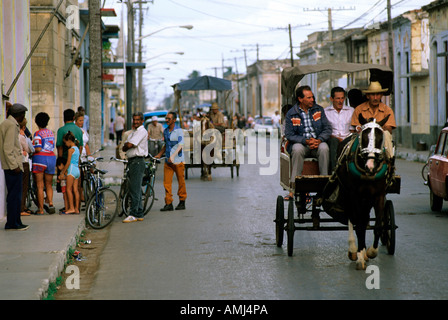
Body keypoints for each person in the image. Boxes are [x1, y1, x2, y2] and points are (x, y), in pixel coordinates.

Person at [284, 85, 331, 201]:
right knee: (297, 149)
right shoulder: (291, 113)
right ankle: (293, 188)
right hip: (302, 144)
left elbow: (327, 129)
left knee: (324, 147)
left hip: (317, 143)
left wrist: (319, 140)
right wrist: (305, 141)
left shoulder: (318, 110)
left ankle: (324, 184)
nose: (312, 100)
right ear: (300, 99)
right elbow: (289, 135)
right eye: (309, 98)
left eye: (312, 97)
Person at [0, 103, 30, 230]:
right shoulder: (11, 125)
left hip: (10, 165)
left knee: (14, 195)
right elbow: (8, 149)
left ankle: (16, 221)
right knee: (15, 196)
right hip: (13, 166)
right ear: (19, 115)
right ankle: (13, 223)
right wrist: (15, 165)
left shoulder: (7, 123)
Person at [350, 81, 396, 160]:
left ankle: (390, 160)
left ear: (381, 95)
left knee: (386, 134)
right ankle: (350, 159)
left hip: (380, 138)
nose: (375, 98)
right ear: (367, 96)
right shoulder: (359, 109)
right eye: (372, 95)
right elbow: (356, 127)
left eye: (377, 94)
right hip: (364, 138)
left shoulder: (387, 110)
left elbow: (389, 128)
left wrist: (376, 130)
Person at [156, 111, 187, 212]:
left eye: (169, 119)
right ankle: (168, 203)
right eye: (166, 118)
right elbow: (166, 145)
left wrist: (173, 156)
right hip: (168, 162)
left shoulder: (178, 131)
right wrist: (159, 154)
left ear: (174, 120)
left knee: (181, 182)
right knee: (167, 183)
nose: (167, 120)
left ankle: (182, 201)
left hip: (178, 161)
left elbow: (180, 145)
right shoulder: (165, 131)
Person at [122, 112, 148, 223]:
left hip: (137, 161)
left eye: (138, 120)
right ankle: (139, 212)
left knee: (134, 189)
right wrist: (126, 145)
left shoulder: (141, 131)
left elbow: (128, 145)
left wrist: (126, 145)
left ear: (142, 121)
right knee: (135, 188)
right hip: (132, 161)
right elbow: (125, 146)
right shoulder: (134, 132)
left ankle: (134, 213)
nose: (136, 121)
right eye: (134, 119)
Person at [56, 109, 83, 210]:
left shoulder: (60, 130)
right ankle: (77, 207)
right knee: (77, 188)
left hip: (67, 165)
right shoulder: (79, 130)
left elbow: (60, 148)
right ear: (73, 118)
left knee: (67, 188)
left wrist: (61, 167)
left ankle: (68, 207)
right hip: (77, 165)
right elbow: (81, 147)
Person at [324, 87, 354, 172]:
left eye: (342, 98)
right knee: (333, 141)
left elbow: (353, 130)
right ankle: (334, 171)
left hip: (348, 139)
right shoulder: (325, 112)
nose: (340, 101)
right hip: (333, 139)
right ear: (331, 99)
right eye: (337, 98)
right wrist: (337, 138)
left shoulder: (351, 111)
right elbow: (325, 131)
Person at [32, 112, 57, 215]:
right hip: (51, 158)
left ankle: (41, 209)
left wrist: (31, 149)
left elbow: (37, 148)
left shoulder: (37, 134)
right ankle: (50, 203)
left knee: (40, 186)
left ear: (36, 122)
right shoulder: (51, 133)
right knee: (49, 184)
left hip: (40, 159)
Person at [58, 131, 80, 215]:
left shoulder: (70, 150)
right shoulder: (77, 149)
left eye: (65, 142)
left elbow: (67, 163)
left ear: (69, 141)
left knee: (68, 189)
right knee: (75, 190)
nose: (65, 144)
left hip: (71, 170)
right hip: (77, 170)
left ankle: (71, 208)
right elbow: (78, 161)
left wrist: (63, 172)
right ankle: (76, 208)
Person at [19, 119, 34, 216]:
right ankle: (22, 208)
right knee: (24, 186)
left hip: (17, 162)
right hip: (24, 162)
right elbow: (29, 149)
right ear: (24, 127)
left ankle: (22, 206)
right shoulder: (22, 137)